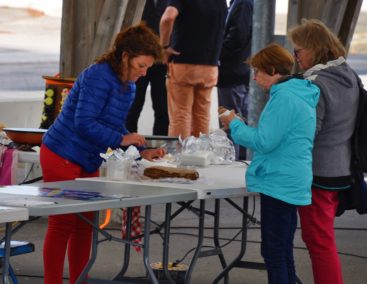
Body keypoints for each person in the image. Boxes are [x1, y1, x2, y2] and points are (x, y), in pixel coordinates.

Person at [40, 23, 163, 284]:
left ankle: (78, 280)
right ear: (126, 56)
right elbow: (85, 122)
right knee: (62, 224)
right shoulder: (98, 76)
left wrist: (141, 151)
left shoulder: (128, 86)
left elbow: (114, 126)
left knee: (86, 226)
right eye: (141, 65)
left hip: (88, 158)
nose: (144, 73)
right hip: (61, 153)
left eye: (148, 68)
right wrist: (122, 139)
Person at [220, 43, 320, 284]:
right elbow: (275, 137)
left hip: (280, 181)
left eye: (258, 71)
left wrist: (234, 123)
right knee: (283, 249)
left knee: (274, 252)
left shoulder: (283, 97)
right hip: (290, 178)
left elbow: (264, 142)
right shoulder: (298, 92)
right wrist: (241, 125)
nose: (254, 78)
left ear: (273, 70)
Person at [288, 19, 359, 284]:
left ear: (314, 48)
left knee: (319, 241)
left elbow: (307, 133)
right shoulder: (349, 75)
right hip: (341, 167)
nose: (296, 58)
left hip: (318, 171)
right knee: (322, 237)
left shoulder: (316, 84)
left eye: (299, 51)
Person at [159, 0, 227, 138]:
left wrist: (163, 47)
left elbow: (168, 17)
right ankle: (199, 155)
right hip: (210, 67)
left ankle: (179, 154)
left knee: (180, 115)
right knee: (202, 115)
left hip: (182, 64)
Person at [125, 0, 169, 135]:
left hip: (162, 61)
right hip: (139, 59)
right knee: (134, 104)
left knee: (162, 106)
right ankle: (129, 142)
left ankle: (161, 144)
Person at [217, 0, 253, 160]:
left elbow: (238, 36)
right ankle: (241, 160)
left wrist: (216, 51)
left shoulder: (243, 3)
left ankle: (235, 161)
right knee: (241, 120)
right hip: (238, 71)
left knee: (231, 121)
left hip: (233, 72)